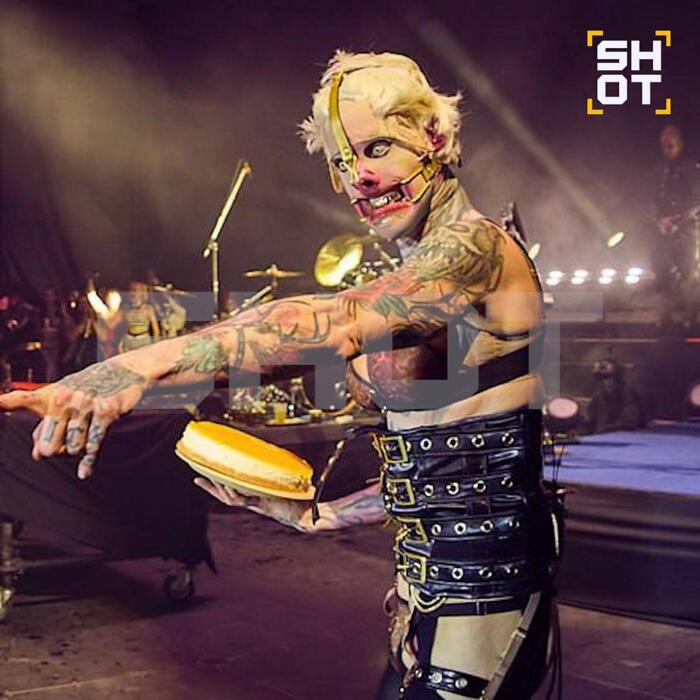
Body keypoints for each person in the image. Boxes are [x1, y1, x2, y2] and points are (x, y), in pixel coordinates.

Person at [0, 51, 561, 699]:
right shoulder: (423, 280)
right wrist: (323, 515)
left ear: (433, 137)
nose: (358, 179)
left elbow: (332, 322)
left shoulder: (477, 250)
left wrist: (135, 362)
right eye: (341, 162)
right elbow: (444, 474)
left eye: (376, 149)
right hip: (425, 595)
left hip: (486, 596)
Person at [651, 125, 700, 323]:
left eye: (670, 146)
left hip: (685, 228)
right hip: (663, 229)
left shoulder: (690, 168)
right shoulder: (660, 169)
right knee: (661, 270)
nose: (667, 150)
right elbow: (652, 199)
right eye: (664, 146)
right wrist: (658, 220)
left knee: (687, 271)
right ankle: (665, 313)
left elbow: (697, 200)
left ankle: (691, 315)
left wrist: (677, 220)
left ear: (679, 144)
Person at [584, 359, 646, 434]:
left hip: (621, 435)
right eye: (602, 378)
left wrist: (607, 429)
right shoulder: (599, 395)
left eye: (609, 377)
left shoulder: (627, 394)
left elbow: (629, 422)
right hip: (601, 435)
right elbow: (590, 419)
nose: (607, 382)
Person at [118, 281, 160, 353]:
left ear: (141, 292)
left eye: (134, 290)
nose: (131, 293)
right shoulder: (126, 308)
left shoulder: (148, 309)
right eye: (130, 290)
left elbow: (156, 331)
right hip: (128, 342)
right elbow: (123, 328)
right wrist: (121, 342)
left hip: (143, 342)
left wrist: (155, 346)